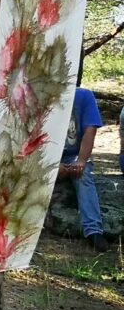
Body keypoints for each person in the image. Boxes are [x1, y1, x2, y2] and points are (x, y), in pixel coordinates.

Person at [59, 87, 109, 252]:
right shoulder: (41, 94)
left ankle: (93, 231)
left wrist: (81, 160)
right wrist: (53, 164)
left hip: (74, 155)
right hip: (47, 155)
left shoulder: (83, 96)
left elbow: (90, 130)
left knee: (83, 176)